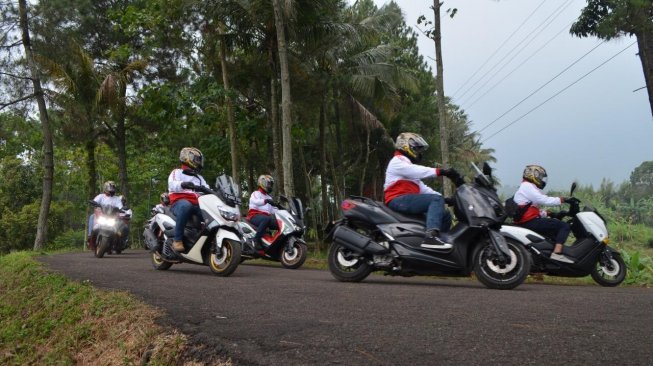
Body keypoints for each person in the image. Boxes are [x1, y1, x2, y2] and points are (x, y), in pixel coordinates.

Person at [383, 132, 461, 247]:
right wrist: (442, 171)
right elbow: (416, 170)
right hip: (397, 200)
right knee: (436, 199)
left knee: (445, 215)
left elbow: (423, 189)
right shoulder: (398, 161)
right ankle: (431, 237)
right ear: (406, 146)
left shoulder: (408, 168)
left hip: (407, 200)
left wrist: (447, 200)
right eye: (417, 149)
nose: (419, 152)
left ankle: (441, 242)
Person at [513, 165, 578, 263]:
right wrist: (564, 199)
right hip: (530, 222)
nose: (541, 180)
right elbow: (543, 200)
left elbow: (531, 209)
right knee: (564, 226)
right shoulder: (527, 186)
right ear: (533, 175)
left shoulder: (527, 187)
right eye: (540, 177)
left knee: (552, 234)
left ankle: (544, 259)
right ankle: (556, 254)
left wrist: (550, 213)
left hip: (528, 221)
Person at [168, 147, 210, 252]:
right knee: (186, 206)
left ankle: (205, 240)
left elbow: (207, 188)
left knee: (211, 213)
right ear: (188, 158)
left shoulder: (199, 178)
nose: (199, 162)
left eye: (199, 160)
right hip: (179, 202)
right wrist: (183, 184)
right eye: (196, 159)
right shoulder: (177, 172)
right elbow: (172, 184)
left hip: (197, 204)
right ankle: (177, 240)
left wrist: (215, 192)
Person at [88, 181, 128, 246]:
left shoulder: (117, 199)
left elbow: (120, 206)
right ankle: (90, 235)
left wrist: (122, 209)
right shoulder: (101, 196)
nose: (112, 190)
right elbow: (95, 201)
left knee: (123, 226)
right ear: (106, 188)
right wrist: (94, 203)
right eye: (110, 188)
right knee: (92, 216)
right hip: (101, 215)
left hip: (112, 217)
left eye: (113, 188)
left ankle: (120, 241)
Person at [246, 174, 279, 250]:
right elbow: (255, 201)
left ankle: (275, 245)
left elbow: (273, 210)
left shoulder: (269, 197)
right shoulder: (255, 193)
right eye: (269, 184)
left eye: (271, 184)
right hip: (254, 216)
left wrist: (282, 210)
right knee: (266, 219)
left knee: (279, 224)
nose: (270, 186)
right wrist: (265, 201)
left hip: (265, 218)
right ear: (263, 183)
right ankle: (256, 240)